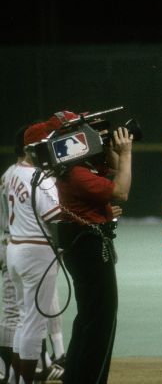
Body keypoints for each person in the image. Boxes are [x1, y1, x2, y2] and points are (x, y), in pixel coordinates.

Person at [53, 113, 133, 384]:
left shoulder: (73, 168)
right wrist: (127, 153)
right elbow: (122, 191)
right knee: (101, 323)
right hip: (89, 247)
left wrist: (111, 152)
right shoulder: (77, 174)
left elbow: (112, 173)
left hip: (83, 244)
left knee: (88, 319)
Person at [5, 122, 63, 384]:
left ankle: (18, 380)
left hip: (15, 247)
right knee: (35, 323)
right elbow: (56, 217)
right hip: (36, 251)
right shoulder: (40, 178)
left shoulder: (10, 172)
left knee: (23, 318)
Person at [0, 126, 27, 383]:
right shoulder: (23, 175)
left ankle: (11, 369)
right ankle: (7, 370)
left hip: (9, 242)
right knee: (15, 311)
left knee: (15, 310)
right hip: (14, 242)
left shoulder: (8, 174)